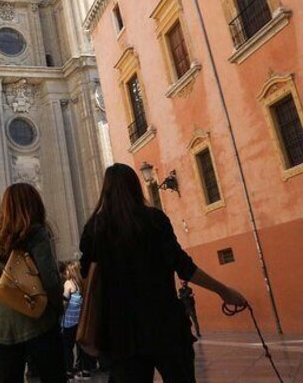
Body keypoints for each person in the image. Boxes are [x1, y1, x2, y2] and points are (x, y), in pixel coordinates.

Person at [79, 164, 247, 382]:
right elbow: (184, 267)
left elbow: (86, 276)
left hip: (121, 335)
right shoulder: (154, 220)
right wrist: (223, 291)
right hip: (166, 326)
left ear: (106, 190)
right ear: (135, 187)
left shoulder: (94, 228)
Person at [0, 183, 67, 383]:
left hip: (2, 331)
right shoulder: (36, 233)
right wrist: (56, 308)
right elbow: (50, 279)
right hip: (39, 322)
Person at [60, 261, 92, 380]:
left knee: (68, 348)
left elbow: (64, 301)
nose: (66, 272)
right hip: (80, 321)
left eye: (68, 270)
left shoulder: (68, 283)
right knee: (81, 348)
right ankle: (86, 371)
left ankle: (69, 372)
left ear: (71, 271)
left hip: (69, 322)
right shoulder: (81, 284)